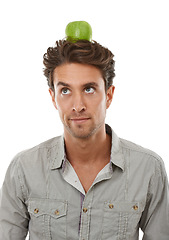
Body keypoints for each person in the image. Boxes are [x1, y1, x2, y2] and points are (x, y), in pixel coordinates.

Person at [0, 39, 169, 240]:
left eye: (89, 89)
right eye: (65, 90)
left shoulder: (148, 168)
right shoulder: (23, 169)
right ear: (53, 97)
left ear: (108, 95)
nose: (78, 105)